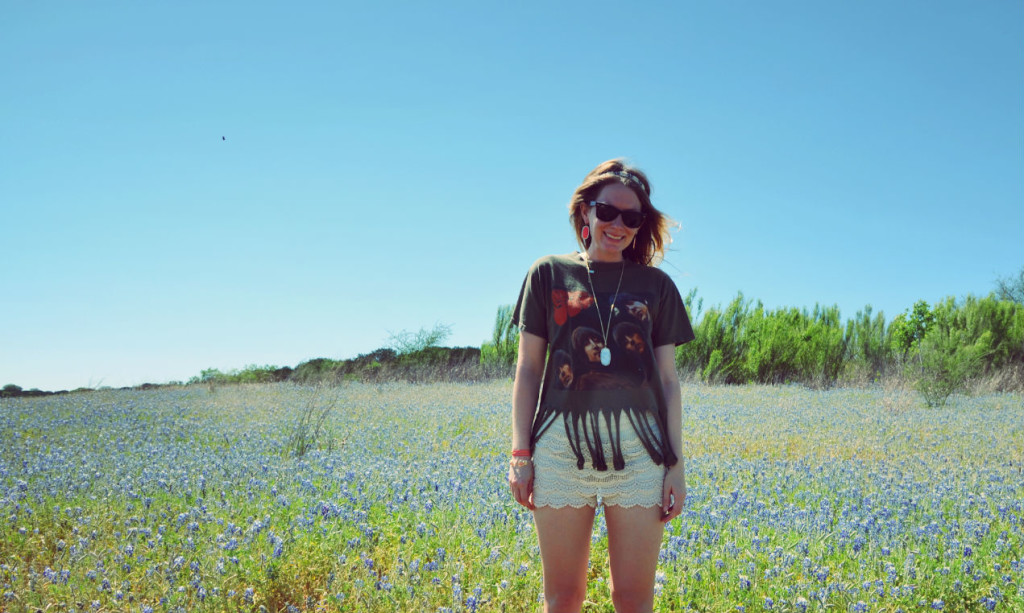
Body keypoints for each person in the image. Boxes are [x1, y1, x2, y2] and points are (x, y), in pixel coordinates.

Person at [508, 159, 695, 613]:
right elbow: (529, 370)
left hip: (641, 450)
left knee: (632, 599)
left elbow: (668, 382)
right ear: (585, 212)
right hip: (558, 446)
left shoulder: (657, 286)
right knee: (564, 597)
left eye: (632, 218)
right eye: (607, 211)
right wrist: (520, 453)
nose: (618, 225)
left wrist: (676, 463)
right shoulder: (548, 273)